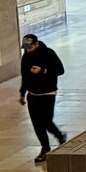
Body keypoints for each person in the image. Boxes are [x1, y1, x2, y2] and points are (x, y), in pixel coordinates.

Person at [18, 34, 67, 164]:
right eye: (26, 48)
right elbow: (25, 76)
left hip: (47, 93)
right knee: (36, 123)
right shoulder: (26, 56)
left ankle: (60, 136)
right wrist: (22, 93)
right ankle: (45, 148)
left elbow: (60, 70)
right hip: (32, 95)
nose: (28, 50)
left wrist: (43, 70)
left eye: (30, 47)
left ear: (37, 44)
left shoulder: (48, 53)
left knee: (46, 121)